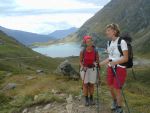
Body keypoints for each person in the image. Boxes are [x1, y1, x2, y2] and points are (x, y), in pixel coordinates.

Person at [100, 23, 128, 113]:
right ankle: (115, 101)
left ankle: (119, 108)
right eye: (106, 30)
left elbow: (125, 58)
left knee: (117, 88)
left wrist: (115, 62)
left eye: (108, 30)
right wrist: (99, 64)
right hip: (110, 67)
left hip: (120, 68)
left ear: (114, 31)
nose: (106, 32)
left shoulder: (122, 42)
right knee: (110, 87)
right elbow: (110, 58)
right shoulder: (109, 43)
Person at [80, 35, 100, 106]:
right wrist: (83, 66)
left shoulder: (95, 50)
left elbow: (97, 61)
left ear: (92, 41)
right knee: (85, 84)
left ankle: (91, 98)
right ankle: (86, 99)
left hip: (92, 69)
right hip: (84, 69)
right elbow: (80, 61)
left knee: (91, 84)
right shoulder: (82, 51)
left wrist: (96, 63)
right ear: (85, 42)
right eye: (87, 41)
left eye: (90, 41)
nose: (89, 43)